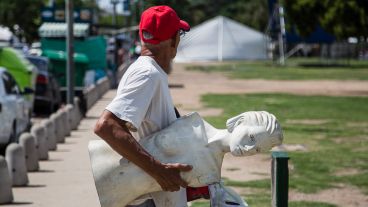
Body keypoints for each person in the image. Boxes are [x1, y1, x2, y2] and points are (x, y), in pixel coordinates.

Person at [94, 5, 192, 207]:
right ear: (174, 39)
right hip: (149, 199)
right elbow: (106, 126)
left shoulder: (149, 71)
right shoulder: (148, 74)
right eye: (179, 33)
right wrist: (159, 171)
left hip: (152, 195)